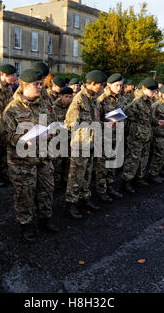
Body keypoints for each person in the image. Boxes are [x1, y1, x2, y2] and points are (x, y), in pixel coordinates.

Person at [1, 68, 59, 243]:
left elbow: (52, 121)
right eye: (37, 84)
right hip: (22, 160)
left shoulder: (44, 103)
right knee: (25, 193)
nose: (41, 87)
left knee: (47, 189)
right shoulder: (12, 109)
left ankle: (45, 219)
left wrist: (53, 131)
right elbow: (7, 136)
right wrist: (26, 139)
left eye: (41, 83)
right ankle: (25, 225)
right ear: (24, 86)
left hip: (43, 156)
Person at [64, 70, 107, 218]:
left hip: (91, 142)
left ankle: (84, 197)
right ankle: (71, 203)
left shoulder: (93, 98)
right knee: (76, 175)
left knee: (87, 173)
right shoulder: (79, 99)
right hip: (81, 144)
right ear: (93, 84)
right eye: (102, 85)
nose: (103, 88)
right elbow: (69, 123)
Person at [121, 77, 156, 193]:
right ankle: (127, 181)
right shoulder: (138, 101)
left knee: (143, 158)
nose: (154, 92)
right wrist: (135, 122)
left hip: (146, 134)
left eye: (155, 90)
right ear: (145, 89)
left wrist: (156, 122)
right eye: (152, 90)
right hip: (137, 135)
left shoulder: (149, 102)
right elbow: (125, 112)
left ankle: (139, 178)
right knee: (133, 159)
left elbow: (149, 118)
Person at [95, 73, 126, 203]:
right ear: (109, 85)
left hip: (117, 134)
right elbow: (94, 120)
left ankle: (110, 186)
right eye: (116, 85)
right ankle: (101, 191)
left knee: (113, 163)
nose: (119, 88)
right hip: (104, 137)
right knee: (103, 166)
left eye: (121, 85)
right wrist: (106, 124)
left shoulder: (121, 98)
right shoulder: (101, 99)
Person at [52, 86, 73, 187]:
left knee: (68, 160)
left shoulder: (72, 107)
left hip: (69, 138)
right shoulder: (54, 107)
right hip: (58, 139)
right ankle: (56, 181)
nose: (68, 99)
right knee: (57, 161)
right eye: (66, 96)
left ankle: (65, 179)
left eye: (70, 96)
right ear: (61, 96)